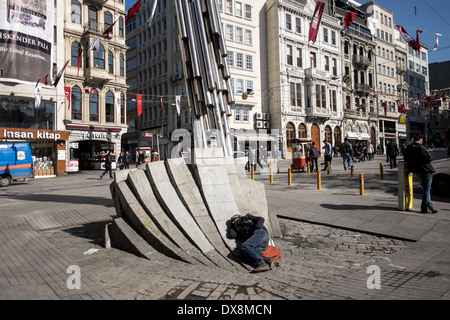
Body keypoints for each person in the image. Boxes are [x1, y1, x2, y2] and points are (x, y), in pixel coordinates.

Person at [404, 135, 438, 214]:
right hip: (426, 170)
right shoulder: (421, 147)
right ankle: (424, 208)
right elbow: (429, 158)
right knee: (426, 189)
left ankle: (430, 205)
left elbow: (406, 158)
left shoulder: (408, 148)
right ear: (420, 140)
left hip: (418, 171)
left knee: (426, 189)